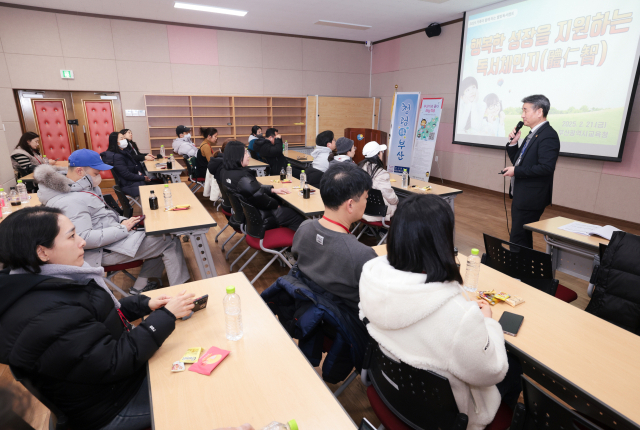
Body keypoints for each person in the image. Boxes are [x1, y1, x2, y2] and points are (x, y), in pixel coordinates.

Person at [0, 206, 196, 430]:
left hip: (112, 388)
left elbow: (96, 317)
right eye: (72, 236)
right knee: (199, 392)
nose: (82, 241)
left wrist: (145, 304)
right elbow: (115, 362)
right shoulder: (46, 312)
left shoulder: (42, 281)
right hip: (113, 407)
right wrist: (166, 316)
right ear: (42, 252)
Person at [359, 194, 521, 430]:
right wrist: (488, 324)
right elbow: (492, 371)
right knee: (513, 367)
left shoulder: (373, 279)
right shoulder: (456, 314)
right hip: (445, 419)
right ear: (441, 240)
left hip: (391, 392)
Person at [34, 149, 190, 293]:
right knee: (168, 241)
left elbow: (104, 216)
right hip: (100, 252)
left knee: (160, 234)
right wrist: (123, 229)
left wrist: (125, 221)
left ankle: (141, 285)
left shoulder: (83, 189)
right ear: (80, 171)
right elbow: (83, 239)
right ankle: (181, 293)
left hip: (110, 241)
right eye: (96, 172)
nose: (99, 175)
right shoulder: (70, 200)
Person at [292, 162, 377, 312]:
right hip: (349, 326)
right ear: (350, 205)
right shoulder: (362, 255)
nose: (366, 202)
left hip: (311, 313)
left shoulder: (304, 228)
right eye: (365, 198)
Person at [502, 94, 560, 248]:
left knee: (518, 237)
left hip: (531, 197)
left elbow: (546, 168)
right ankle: (522, 268)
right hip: (523, 194)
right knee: (521, 235)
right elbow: (519, 162)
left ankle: (517, 270)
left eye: (525, 110)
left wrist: (517, 171)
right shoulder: (533, 133)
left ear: (539, 112)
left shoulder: (548, 136)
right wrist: (514, 144)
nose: (522, 115)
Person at [221, 141, 304, 231]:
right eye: (245, 153)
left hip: (246, 216)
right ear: (236, 156)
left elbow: (253, 191)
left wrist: (272, 190)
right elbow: (259, 197)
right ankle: (292, 243)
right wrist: (276, 205)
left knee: (284, 205)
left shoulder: (226, 173)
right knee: (297, 216)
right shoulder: (243, 178)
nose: (248, 156)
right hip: (261, 218)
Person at [102, 132, 151, 197]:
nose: (124, 140)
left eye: (124, 138)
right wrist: (142, 178)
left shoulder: (125, 152)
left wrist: (142, 176)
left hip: (132, 181)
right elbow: (126, 174)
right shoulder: (117, 157)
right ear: (115, 142)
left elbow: (133, 168)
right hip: (128, 185)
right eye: (121, 138)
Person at [359, 141, 398, 222]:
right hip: (378, 212)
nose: (382, 153)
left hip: (362, 208)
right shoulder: (381, 173)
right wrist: (397, 201)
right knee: (397, 204)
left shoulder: (360, 168)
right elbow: (390, 196)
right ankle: (384, 231)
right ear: (377, 155)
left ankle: (369, 230)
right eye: (381, 151)